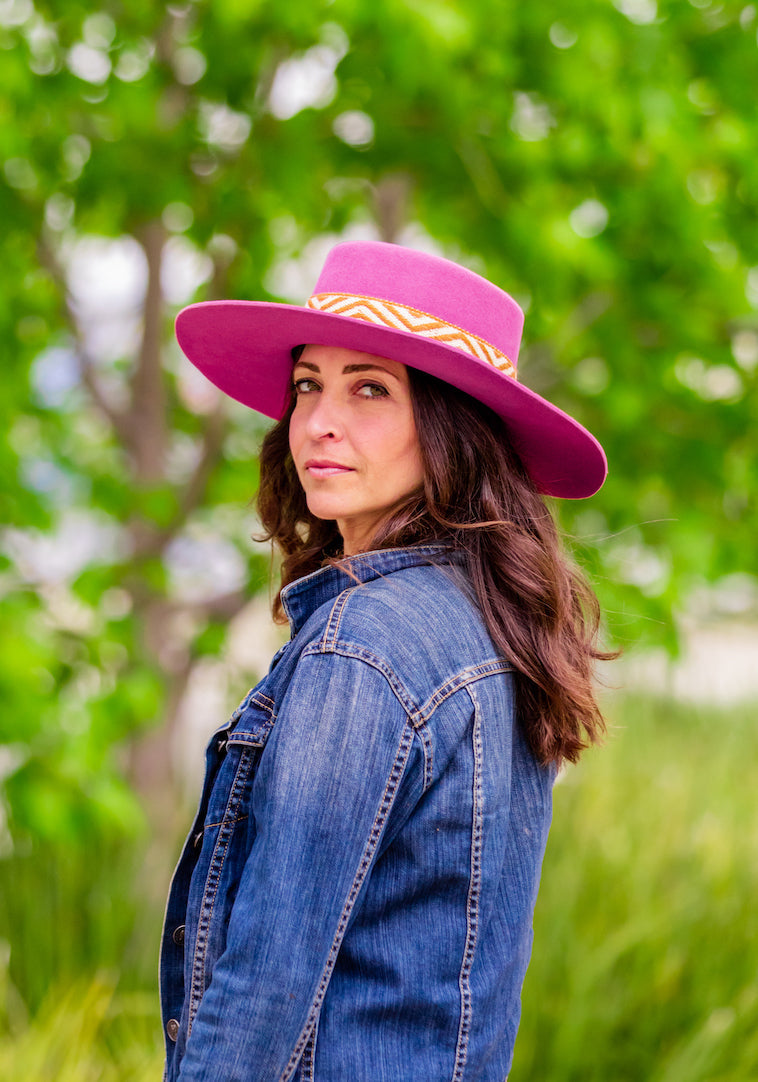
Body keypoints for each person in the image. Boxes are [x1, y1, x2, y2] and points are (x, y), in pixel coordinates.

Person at [160, 240, 613, 1082]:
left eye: (370, 388)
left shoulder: (362, 647)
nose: (319, 421)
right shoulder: (491, 625)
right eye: (308, 386)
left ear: (450, 426)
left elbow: (264, 986)